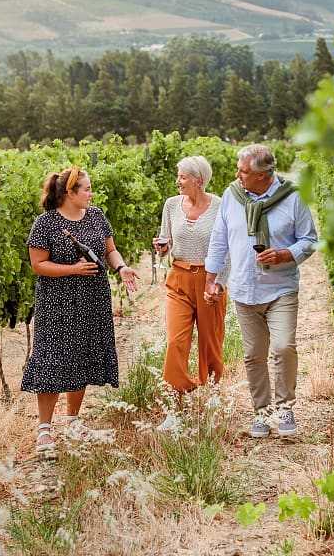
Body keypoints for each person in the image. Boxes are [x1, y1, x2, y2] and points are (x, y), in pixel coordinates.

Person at [22, 166, 139, 453]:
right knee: (51, 359)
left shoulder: (97, 216)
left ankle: (73, 420)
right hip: (57, 303)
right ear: (69, 193)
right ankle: (44, 429)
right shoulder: (45, 223)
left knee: (82, 357)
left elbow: (110, 250)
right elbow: (38, 265)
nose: (91, 193)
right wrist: (73, 269)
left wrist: (121, 267)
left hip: (92, 299)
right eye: (86, 189)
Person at [204, 144, 317, 438]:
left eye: (243, 171)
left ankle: (285, 408)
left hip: (280, 288)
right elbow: (219, 239)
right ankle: (262, 412)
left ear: (264, 175)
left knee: (283, 347)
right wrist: (212, 278)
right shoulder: (232, 195)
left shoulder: (292, 198)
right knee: (254, 355)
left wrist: (285, 254)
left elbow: (309, 240)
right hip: (244, 288)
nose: (237, 175)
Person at [154, 155, 227, 399]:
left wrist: (219, 282)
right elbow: (166, 240)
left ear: (199, 180)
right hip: (179, 279)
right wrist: (162, 248)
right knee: (176, 341)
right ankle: (178, 394)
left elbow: (227, 247)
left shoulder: (219, 206)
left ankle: (214, 394)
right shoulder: (171, 205)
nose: (178, 181)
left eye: (182, 177)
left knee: (211, 343)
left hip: (209, 278)